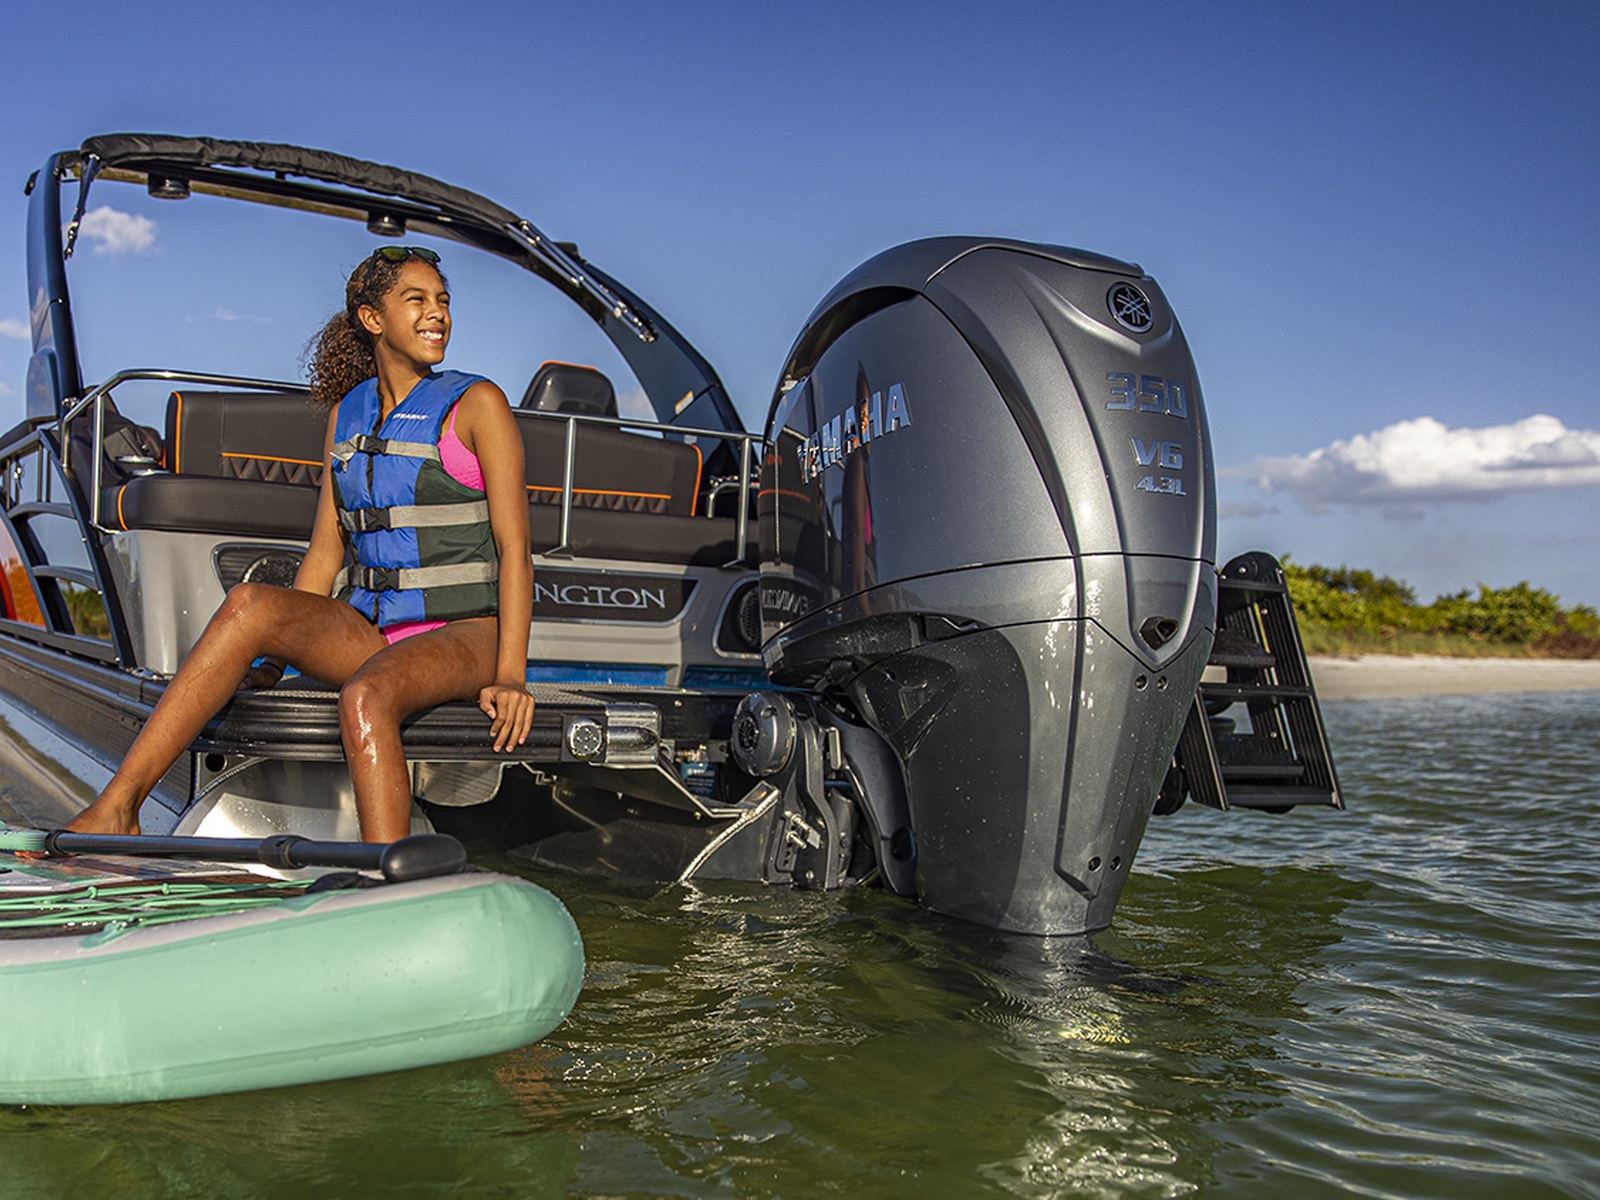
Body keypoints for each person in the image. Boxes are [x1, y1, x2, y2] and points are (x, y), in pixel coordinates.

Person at [66, 246, 535, 843]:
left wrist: (511, 675)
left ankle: (390, 879)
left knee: (365, 696)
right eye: (416, 299)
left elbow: (515, 549)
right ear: (373, 319)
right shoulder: (348, 415)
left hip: (465, 631)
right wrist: (273, 664)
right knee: (249, 604)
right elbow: (325, 553)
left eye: (442, 300)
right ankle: (120, 806)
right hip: (374, 631)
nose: (436, 313)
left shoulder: (478, 404)